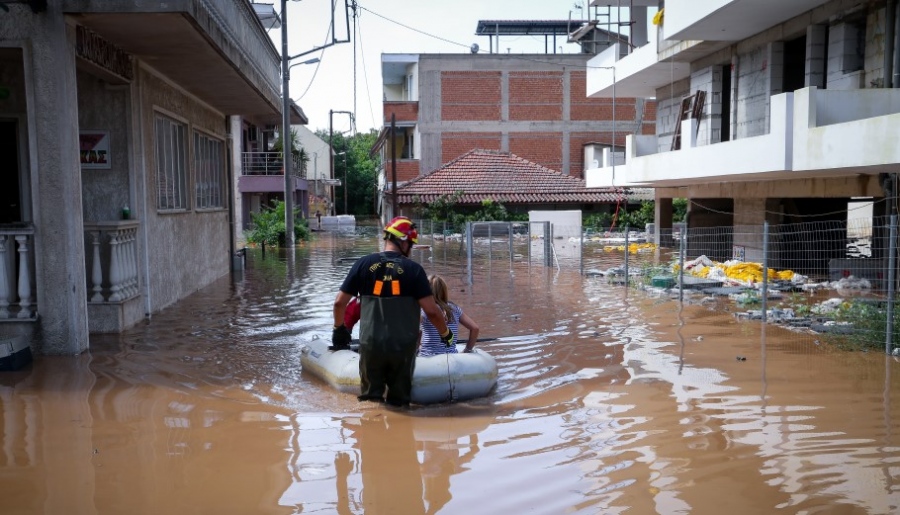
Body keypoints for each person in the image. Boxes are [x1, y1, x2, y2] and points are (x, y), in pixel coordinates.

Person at [332, 216, 454, 407]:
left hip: (371, 345)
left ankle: (371, 427)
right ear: (403, 241)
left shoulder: (362, 265)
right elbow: (432, 312)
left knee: (370, 401)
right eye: (411, 244)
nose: (411, 249)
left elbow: (339, 303)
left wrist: (339, 330)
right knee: (400, 402)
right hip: (403, 348)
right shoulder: (415, 271)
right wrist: (446, 334)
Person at [418, 275, 479, 357]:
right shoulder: (455, 308)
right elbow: (475, 328)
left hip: (428, 356)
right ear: (444, 291)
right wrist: (467, 350)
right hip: (452, 356)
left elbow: (412, 330)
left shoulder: (425, 309)